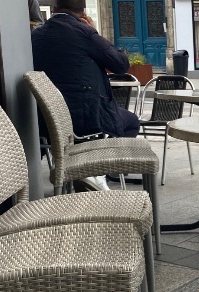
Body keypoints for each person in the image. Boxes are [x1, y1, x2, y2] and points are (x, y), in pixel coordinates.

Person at [32, 0, 140, 190]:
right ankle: (99, 172)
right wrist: (95, 32)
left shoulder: (36, 35)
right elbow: (120, 64)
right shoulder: (84, 32)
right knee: (131, 121)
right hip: (86, 118)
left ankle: (84, 172)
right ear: (83, 13)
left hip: (46, 122)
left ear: (55, 8)